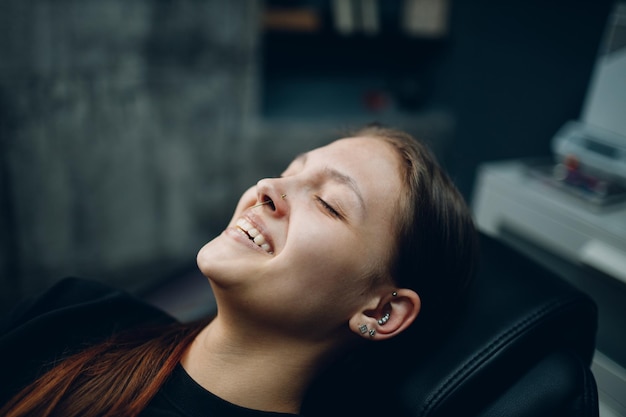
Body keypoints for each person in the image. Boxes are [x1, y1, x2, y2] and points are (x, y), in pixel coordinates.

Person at [0, 125, 478, 417]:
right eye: (290, 170)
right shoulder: (76, 311)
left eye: (329, 204)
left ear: (382, 311)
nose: (266, 186)